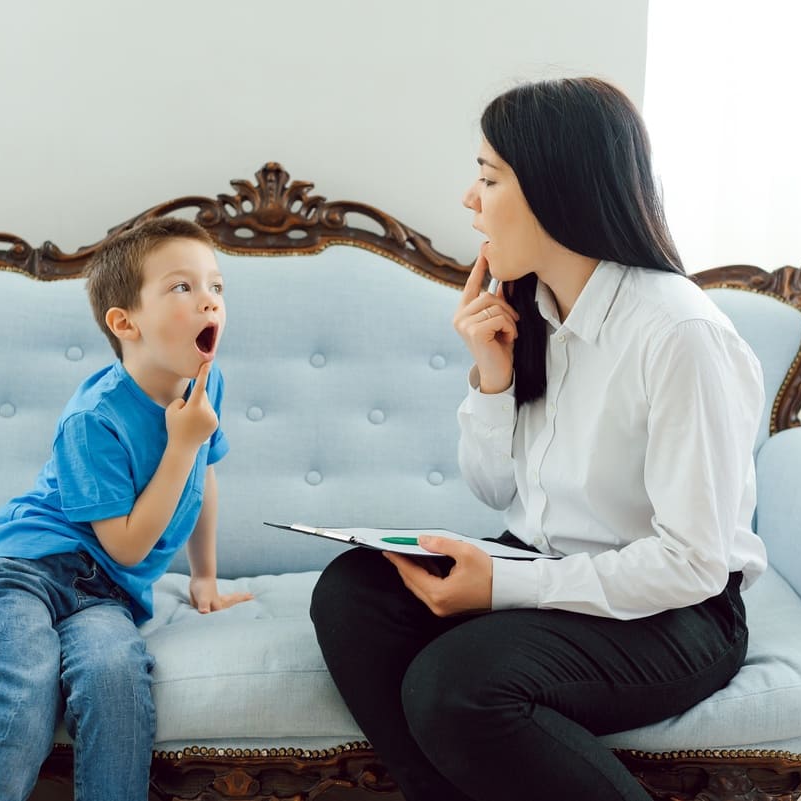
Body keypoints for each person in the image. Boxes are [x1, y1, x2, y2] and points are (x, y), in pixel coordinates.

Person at [310, 76, 766, 801]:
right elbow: (496, 490)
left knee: (455, 686)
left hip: (676, 612)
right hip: (551, 566)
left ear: (557, 189)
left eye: (487, 178)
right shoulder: (533, 310)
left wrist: (504, 585)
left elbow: (693, 562)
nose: (469, 199)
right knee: (353, 593)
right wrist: (491, 378)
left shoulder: (679, 334)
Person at [0, 218, 252, 801]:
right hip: (22, 571)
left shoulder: (205, 389)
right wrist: (183, 441)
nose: (209, 300)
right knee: (21, 703)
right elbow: (127, 545)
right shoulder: (95, 418)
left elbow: (203, 479)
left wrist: (206, 578)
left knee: (116, 687)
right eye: (182, 287)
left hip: (105, 594)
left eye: (216, 286)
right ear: (124, 322)